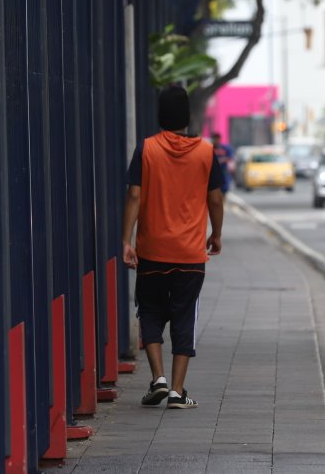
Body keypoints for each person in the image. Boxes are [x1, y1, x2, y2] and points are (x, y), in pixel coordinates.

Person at [121, 86, 226, 410]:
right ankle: (178, 392)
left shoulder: (147, 149)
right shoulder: (206, 153)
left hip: (152, 250)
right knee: (184, 317)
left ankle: (159, 379)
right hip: (190, 254)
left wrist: (127, 239)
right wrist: (216, 234)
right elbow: (216, 199)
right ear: (188, 117)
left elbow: (135, 196)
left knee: (150, 310)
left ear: (160, 116)